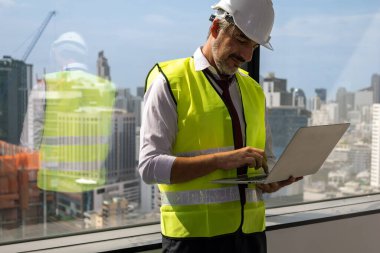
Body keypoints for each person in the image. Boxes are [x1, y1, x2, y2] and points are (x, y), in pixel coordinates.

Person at [138, 0, 302, 252]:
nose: (247, 56)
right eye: (242, 41)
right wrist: (221, 161)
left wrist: (273, 181)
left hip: (250, 238)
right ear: (216, 28)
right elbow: (149, 167)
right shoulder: (170, 82)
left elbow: (264, 160)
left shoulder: (253, 90)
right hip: (192, 241)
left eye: (255, 47)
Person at [20, 31, 115, 193]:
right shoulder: (105, 88)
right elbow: (109, 141)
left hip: (54, 184)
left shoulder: (46, 85)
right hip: (92, 182)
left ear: (57, 54)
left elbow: (29, 146)